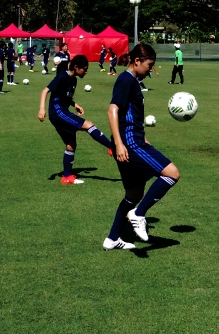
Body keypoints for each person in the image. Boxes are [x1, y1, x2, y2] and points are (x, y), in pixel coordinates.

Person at [104, 44, 181, 250]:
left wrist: (143, 137)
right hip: (129, 142)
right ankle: (138, 214)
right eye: (150, 65)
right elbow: (113, 110)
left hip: (134, 139)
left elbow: (132, 114)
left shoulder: (133, 81)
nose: (151, 69)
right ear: (137, 61)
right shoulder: (126, 80)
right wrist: (119, 144)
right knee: (171, 173)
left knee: (134, 194)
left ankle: (112, 238)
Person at [38, 55, 113, 185]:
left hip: (62, 111)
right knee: (89, 125)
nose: (86, 71)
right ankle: (111, 146)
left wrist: (74, 104)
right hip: (58, 112)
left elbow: (65, 96)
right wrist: (41, 109)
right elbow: (45, 91)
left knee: (71, 144)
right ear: (76, 67)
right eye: (84, 69)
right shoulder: (62, 77)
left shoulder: (74, 80)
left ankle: (66, 177)